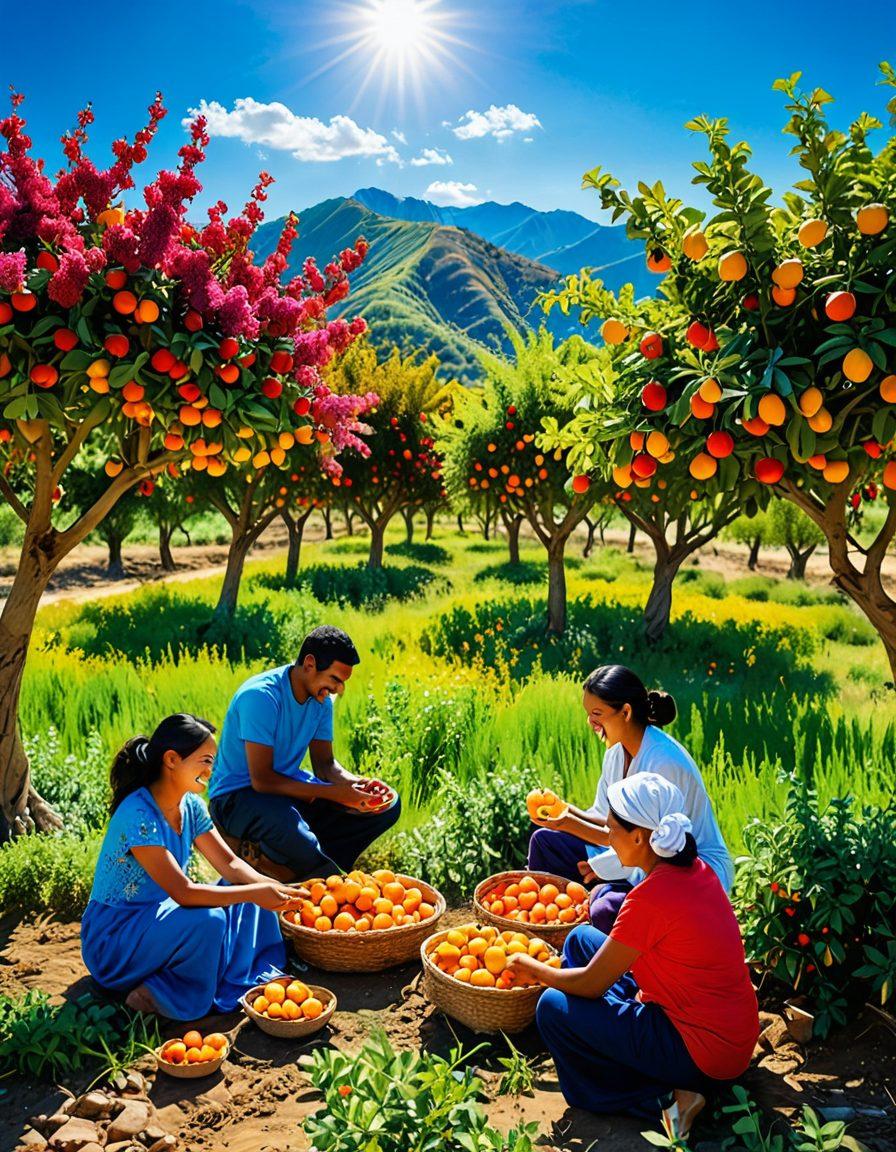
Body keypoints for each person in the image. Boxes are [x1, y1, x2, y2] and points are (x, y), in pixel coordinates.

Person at [510, 773, 758, 1137]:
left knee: (550, 1006)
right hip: (729, 1031)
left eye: (612, 830)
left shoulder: (649, 900)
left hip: (703, 1054)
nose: (608, 838)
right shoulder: (693, 870)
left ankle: (667, 1099)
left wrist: (534, 970)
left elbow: (592, 985)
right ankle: (614, 1052)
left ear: (640, 837)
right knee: (580, 938)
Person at [81, 714, 307, 1019]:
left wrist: (277, 889)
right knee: (211, 920)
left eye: (211, 762)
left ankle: (233, 975)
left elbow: (229, 863)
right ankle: (163, 994)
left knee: (245, 887)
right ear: (172, 759)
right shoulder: (137, 813)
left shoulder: (189, 806)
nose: (210, 770)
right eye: (204, 760)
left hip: (159, 920)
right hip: (115, 940)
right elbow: (184, 893)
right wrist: (255, 893)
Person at [527, 664, 732, 931]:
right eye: (588, 714)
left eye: (597, 713)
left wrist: (594, 857)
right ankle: (549, 928)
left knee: (605, 910)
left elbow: (646, 844)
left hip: (680, 867)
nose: (591, 722)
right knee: (545, 842)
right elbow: (607, 818)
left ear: (625, 712)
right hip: (632, 851)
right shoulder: (616, 752)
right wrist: (563, 811)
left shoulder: (664, 763)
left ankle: (596, 946)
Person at [208, 625, 401, 882]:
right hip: (237, 798)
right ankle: (317, 872)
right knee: (293, 832)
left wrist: (357, 785)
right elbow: (262, 780)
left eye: (343, 682)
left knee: (387, 807)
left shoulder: (320, 700)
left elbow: (326, 767)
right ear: (310, 663)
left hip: (287, 790)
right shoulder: (261, 697)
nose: (339, 690)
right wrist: (335, 793)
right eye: (335, 679)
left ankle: (305, 864)